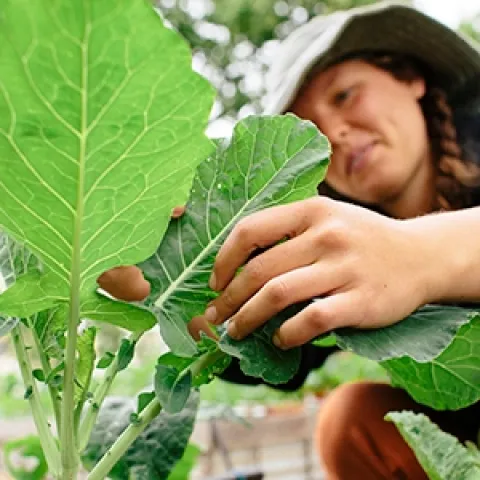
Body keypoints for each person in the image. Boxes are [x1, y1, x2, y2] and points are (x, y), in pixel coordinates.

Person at [98, 2, 480, 478]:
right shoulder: (337, 239)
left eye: (345, 95)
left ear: (410, 77)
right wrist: (161, 286)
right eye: (314, 129)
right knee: (350, 422)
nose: (336, 132)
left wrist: (418, 255)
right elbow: (273, 343)